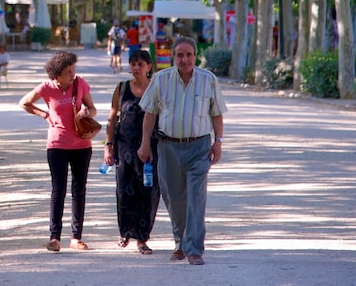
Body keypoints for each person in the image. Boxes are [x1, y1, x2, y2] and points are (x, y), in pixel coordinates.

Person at [137, 36, 226, 266]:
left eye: (189, 55)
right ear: (173, 57)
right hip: (168, 147)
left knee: (196, 198)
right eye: (180, 55)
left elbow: (216, 113)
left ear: (195, 56)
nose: (184, 59)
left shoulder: (208, 80)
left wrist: (219, 142)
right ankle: (180, 243)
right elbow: (149, 113)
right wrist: (145, 143)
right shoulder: (161, 79)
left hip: (199, 147)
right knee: (174, 198)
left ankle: (194, 249)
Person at [19, 51, 97, 252]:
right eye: (68, 72)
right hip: (57, 144)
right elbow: (24, 103)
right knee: (58, 190)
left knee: (79, 190)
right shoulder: (46, 88)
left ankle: (76, 237)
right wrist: (43, 114)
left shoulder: (80, 84)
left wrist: (85, 112)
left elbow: (92, 108)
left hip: (81, 144)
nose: (72, 75)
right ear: (56, 76)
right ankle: (55, 238)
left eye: (73, 70)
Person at [103, 49, 159, 254]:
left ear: (149, 67)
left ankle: (142, 238)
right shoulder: (122, 87)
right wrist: (108, 146)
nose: (135, 68)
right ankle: (126, 231)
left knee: (149, 191)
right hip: (124, 146)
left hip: (151, 147)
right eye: (132, 64)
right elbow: (112, 118)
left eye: (140, 64)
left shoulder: (156, 88)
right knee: (124, 190)